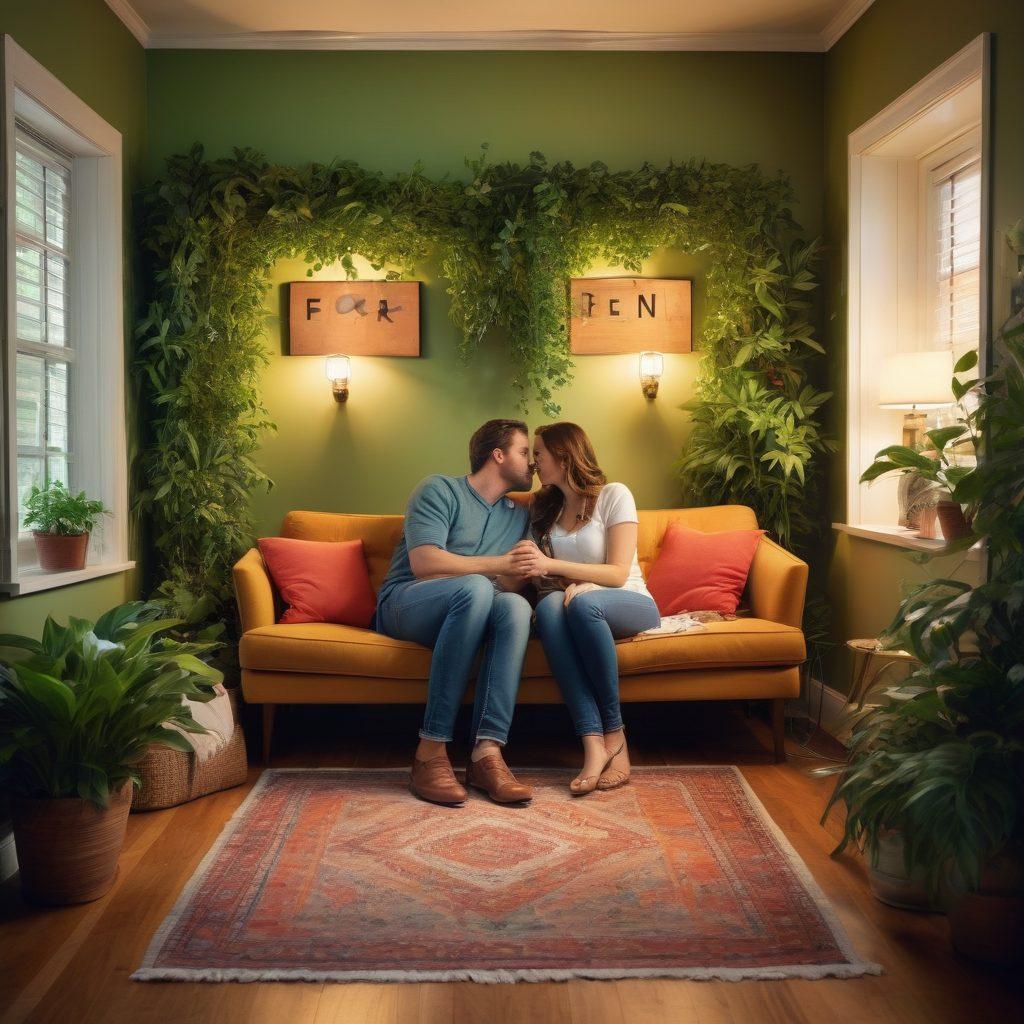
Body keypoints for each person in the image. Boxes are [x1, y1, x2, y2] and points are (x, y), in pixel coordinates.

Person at [373, 419, 537, 807]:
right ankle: (429, 751)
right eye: (525, 452)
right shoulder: (439, 489)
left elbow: (510, 583)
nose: (532, 462)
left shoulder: (520, 514)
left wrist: (525, 571)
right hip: (407, 603)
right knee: (477, 587)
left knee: (514, 605)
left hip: (474, 612)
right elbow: (425, 563)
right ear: (498, 455)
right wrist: (499, 564)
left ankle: (487, 754)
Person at [509, 422, 661, 796]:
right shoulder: (545, 509)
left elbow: (618, 572)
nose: (533, 463)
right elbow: (539, 573)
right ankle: (592, 742)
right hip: (576, 606)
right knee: (547, 611)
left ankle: (616, 734)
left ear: (563, 456)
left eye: (539, 453)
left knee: (585, 604)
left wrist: (555, 567)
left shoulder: (613, 495)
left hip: (632, 602)